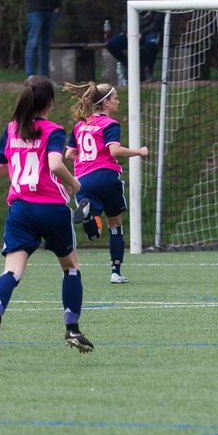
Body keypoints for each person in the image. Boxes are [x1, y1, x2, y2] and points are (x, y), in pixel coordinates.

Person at [0, 76, 92, 356]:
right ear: (50, 103)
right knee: (70, 267)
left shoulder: (12, 129)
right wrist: (76, 185)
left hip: (20, 209)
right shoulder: (53, 130)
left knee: (12, 270)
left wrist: (20, 164)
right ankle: (72, 328)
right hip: (51, 208)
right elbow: (55, 164)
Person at [63, 81, 149, 284]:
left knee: (94, 230)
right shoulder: (110, 124)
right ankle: (115, 272)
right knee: (115, 224)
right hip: (106, 176)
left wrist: (85, 160)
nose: (118, 101)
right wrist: (139, 151)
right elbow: (114, 151)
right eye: (115, 98)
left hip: (83, 179)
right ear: (107, 102)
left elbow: (69, 153)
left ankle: (89, 217)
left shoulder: (80, 124)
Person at [105, 0, 163, 82]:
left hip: (149, 33)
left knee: (151, 43)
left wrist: (141, 33)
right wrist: (128, 32)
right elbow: (125, 21)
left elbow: (156, 24)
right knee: (111, 45)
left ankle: (148, 70)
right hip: (133, 33)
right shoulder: (132, 1)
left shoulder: (157, 1)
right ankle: (130, 66)